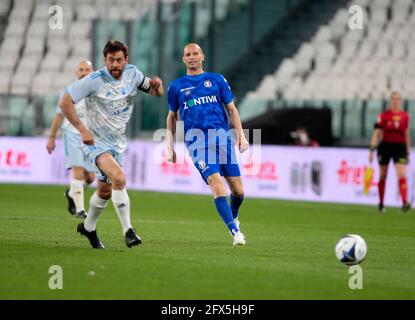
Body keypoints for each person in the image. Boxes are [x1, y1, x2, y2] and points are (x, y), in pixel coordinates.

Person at [59, 40, 164, 249]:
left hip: (118, 143)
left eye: (118, 60)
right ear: (104, 60)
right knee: (119, 177)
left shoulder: (133, 74)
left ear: (126, 60)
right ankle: (129, 231)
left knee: (105, 191)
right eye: (110, 60)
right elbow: (65, 102)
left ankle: (88, 228)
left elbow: (155, 93)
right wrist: (82, 129)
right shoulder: (93, 80)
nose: (114, 65)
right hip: (95, 142)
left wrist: (157, 88)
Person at [166, 43, 248, 246]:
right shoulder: (176, 87)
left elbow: (232, 109)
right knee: (215, 181)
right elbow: (171, 117)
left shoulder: (217, 80)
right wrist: (170, 146)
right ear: (183, 59)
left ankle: (234, 215)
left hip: (222, 140)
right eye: (187, 54)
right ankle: (235, 231)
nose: (192, 57)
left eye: (195, 53)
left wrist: (241, 136)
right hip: (197, 143)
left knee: (238, 192)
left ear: (202, 56)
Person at [47, 60, 95, 219]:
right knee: (78, 171)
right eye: (81, 69)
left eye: (87, 70)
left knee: (90, 177)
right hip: (72, 134)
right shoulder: (69, 92)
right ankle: (80, 210)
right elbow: (58, 116)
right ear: (76, 72)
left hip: (90, 137)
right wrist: (52, 137)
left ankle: (71, 193)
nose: (83, 72)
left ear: (92, 72)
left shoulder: (96, 91)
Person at [369, 91, 411, 212]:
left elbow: (406, 134)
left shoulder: (405, 116)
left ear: (400, 101)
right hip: (385, 147)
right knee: (383, 175)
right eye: (393, 99)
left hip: (400, 148)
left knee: (402, 175)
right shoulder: (383, 116)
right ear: (390, 101)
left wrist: (408, 150)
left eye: (397, 99)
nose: (395, 101)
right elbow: (376, 133)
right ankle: (381, 203)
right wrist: (372, 149)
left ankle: (404, 202)